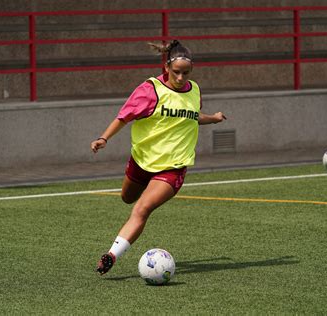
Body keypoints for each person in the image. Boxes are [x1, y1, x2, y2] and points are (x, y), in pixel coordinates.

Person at [91, 40, 226, 275]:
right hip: (142, 160)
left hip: (173, 167)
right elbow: (124, 116)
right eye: (177, 72)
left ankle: (111, 255)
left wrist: (212, 118)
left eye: (186, 73)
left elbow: (190, 116)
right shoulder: (149, 90)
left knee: (142, 209)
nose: (182, 77)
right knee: (127, 198)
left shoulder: (194, 90)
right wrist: (104, 138)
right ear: (166, 67)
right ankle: (145, 189)